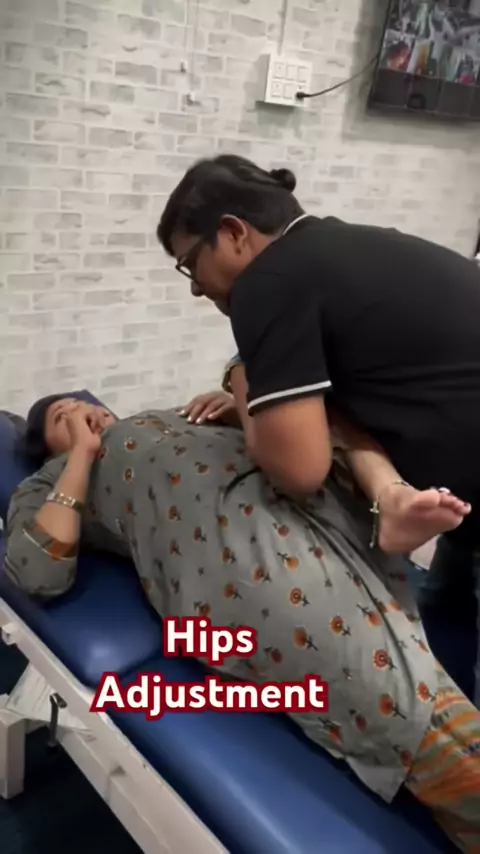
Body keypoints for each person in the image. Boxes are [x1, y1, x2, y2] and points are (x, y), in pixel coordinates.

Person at [4, 393, 480, 852]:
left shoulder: (168, 416)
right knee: (396, 692)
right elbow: (39, 571)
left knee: (400, 643)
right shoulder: (50, 481)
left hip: (301, 510)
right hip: (239, 566)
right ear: (47, 447)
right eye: (63, 416)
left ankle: (388, 496)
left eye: (83, 404)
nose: (82, 411)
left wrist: (240, 412)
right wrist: (82, 454)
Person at [157, 154, 480, 703]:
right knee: (444, 639)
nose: (195, 289)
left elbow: (298, 470)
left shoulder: (268, 282)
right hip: (464, 505)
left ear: (233, 233)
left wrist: (239, 376)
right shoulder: (348, 247)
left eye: (190, 265)